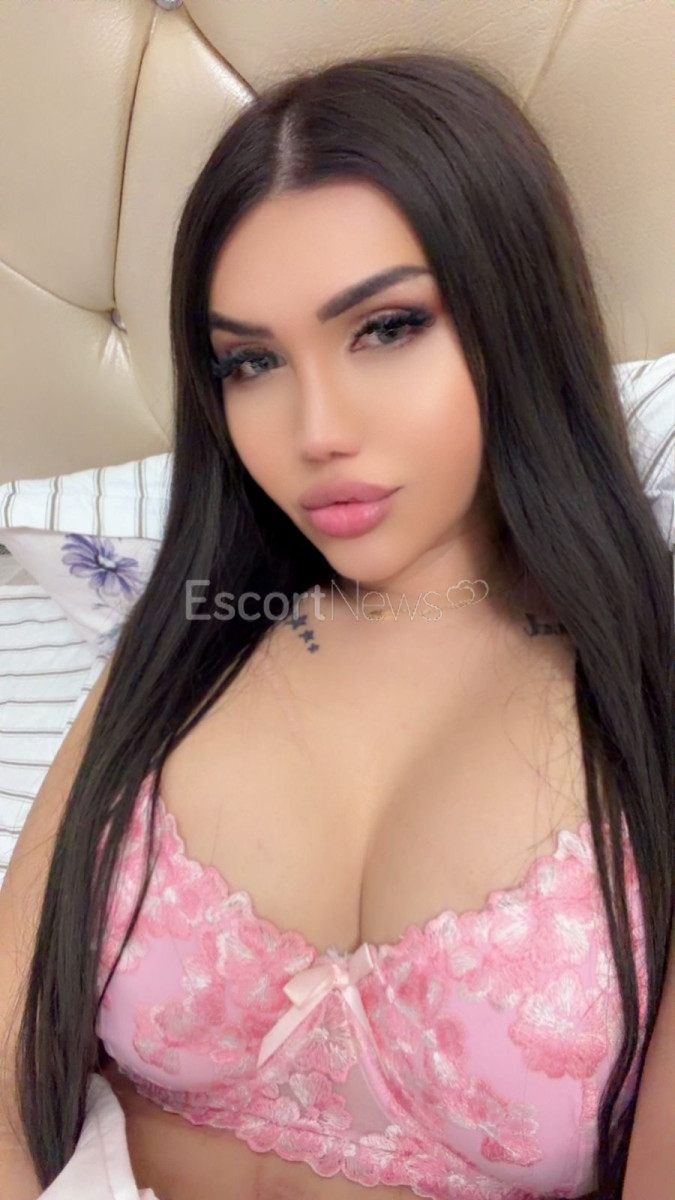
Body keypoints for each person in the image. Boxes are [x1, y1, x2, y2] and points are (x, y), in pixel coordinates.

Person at [0, 50, 671, 1200]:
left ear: (515, 313)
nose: (315, 429)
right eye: (251, 361)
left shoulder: (649, 697)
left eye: (386, 328)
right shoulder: (186, 646)